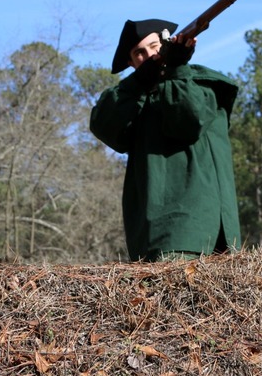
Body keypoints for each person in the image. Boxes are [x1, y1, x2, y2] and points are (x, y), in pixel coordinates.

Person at [89, 18, 241, 262]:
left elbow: (188, 122)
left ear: (167, 44)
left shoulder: (203, 85)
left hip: (210, 229)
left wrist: (177, 69)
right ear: (131, 63)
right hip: (159, 233)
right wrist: (139, 82)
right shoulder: (129, 99)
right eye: (140, 53)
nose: (149, 55)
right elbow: (104, 125)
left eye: (154, 46)